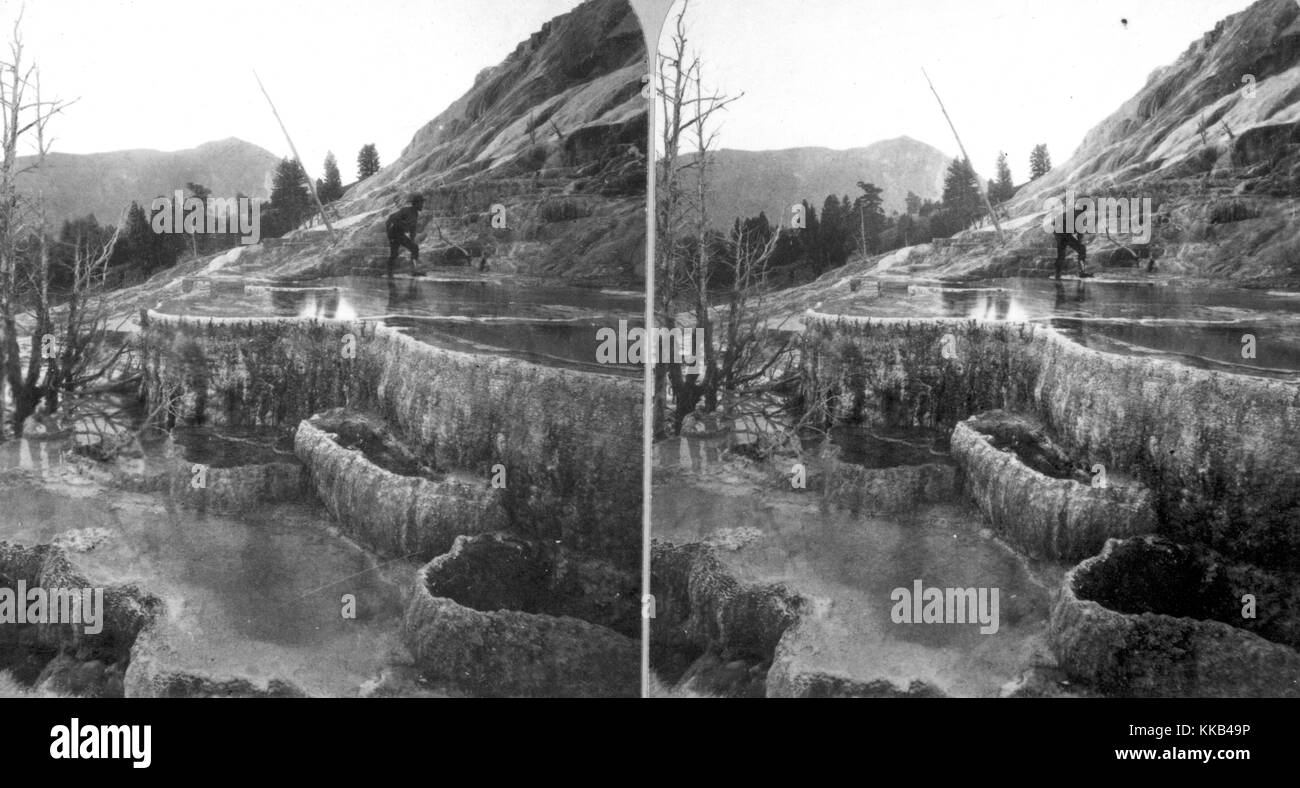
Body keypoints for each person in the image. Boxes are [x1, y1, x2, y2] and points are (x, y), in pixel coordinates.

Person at [385, 194, 425, 276]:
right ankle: (390, 272)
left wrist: (412, 239)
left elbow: (412, 229)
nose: (422, 205)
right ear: (416, 204)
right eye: (421, 203)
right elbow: (393, 219)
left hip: (400, 234)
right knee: (395, 254)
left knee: (414, 248)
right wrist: (401, 225)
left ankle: (413, 270)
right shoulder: (405, 210)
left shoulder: (415, 214)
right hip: (394, 233)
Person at [1054, 202, 1092, 280]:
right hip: (1064, 234)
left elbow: (1054, 222)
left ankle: (1057, 274)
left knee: (1061, 255)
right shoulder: (1080, 215)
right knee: (1081, 250)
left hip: (1059, 233)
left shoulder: (1070, 212)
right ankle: (1081, 272)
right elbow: (1079, 233)